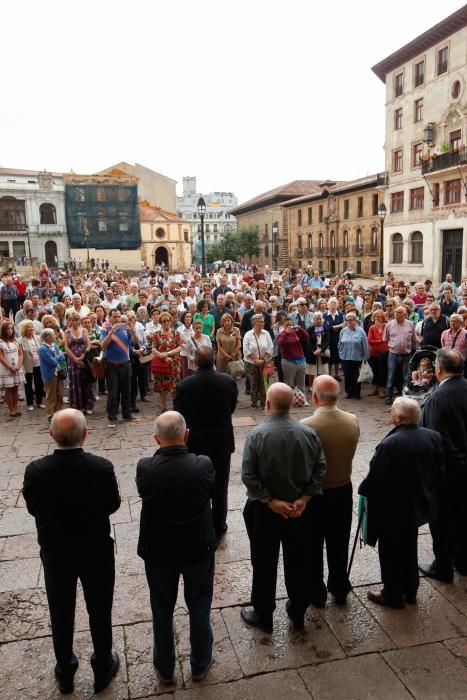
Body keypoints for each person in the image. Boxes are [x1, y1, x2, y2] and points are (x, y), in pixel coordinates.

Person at [22, 409, 121, 694]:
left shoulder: (36, 471)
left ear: (51, 435)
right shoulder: (102, 467)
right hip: (95, 550)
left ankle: (65, 669)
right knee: (100, 610)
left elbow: (32, 508)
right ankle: (102, 665)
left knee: (61, 611)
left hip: (57, 553)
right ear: (86, 434)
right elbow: (112, 505)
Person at [136, 411, 216, 685]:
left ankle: (165, 665)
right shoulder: (203, 464)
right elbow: (211, 492)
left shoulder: (145, 467)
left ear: (156, 439)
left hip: (159, 549)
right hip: (197, 546)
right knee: (200, 604)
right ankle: (200, 662)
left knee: (161, 607)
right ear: (186, 435)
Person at [241, 383, 326, 631]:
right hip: (298, 509)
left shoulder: (257, 435)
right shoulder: (308, 433)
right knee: (298, 560)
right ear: (292, 404)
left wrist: (270, 500)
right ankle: (298, 609)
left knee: (263, 561)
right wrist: (305, 498)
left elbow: (249, 475)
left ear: (267, 404)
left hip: (265, 511)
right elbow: (320, 468)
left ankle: (263, 614)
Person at [359, 397, 444, 608]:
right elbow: (439, 471)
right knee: (409, 546)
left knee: (390, 551)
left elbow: (375, 480)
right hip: (417, 505)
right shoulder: (433, 437)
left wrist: (363, 490)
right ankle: (410, 589)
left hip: (393, 509)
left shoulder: (390, 444)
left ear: (397, 417)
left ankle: (392, 593)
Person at [301, 375, 360, 605]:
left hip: (316, 495)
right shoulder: (352, 419)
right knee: (339, 541)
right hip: (343, 488)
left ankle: (316, 591)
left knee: (313, 544)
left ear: (314, 397)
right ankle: (339, 584)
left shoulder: (307, 426)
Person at [174, 347, 238, 539]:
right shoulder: (227, 381)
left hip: (196, 441)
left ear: (194, 361)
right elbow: (232, 406)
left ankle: (199, 523)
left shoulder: (184, 385)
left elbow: (179, 414)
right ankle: (219, 525)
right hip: (221, 440)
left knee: (196, 482)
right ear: (214, 361)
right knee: (221, 485)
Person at [420, 348, 467, 582]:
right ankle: (463, 560)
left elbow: (436, 437)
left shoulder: (438, 397)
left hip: (449, 471)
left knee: (441, 519)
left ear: (438, 369)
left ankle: (443, 566)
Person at [100, 308, 138, 427]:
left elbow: (136, 342)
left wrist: (132, 330)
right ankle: (112, 415)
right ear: (109, 317)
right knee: (113, 392)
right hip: (112, 365)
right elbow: (102, 345)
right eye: (114, 317)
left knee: (126, 390)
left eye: (118, 316)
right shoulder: (106, 328)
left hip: (126, 364)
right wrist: (111, 333)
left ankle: (127, 413)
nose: (117, 319)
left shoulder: (125, 329)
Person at [383, 306, 417, 405]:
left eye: (399, 312)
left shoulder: (410, 324)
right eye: (396, 312)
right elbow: (385, 339)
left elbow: (414, 338)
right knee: (390, 376)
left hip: (406, 355)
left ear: (405, 314)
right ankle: (388, 397)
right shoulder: (389, 325)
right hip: (393, 354)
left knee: (406, 377)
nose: (397, 314)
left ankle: (405, 397)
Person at [150, 311, 182, 414]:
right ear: (160, 322)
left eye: (168, 320)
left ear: (171, 321)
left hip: (174, 363)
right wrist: (162, 357)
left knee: (174, 386)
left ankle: (175, 406)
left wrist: (167, 354)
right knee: (162, 386)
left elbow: (180, 347)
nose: (166, 322)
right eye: (164, 321)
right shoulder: (156, 335)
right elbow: (153, 349)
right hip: (161, 363)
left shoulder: (176, 333)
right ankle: (163, 407)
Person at [64, 312, 94, 415]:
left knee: (86, 382)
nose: (74, 322)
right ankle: (77, 406)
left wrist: (83, 356)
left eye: (76, 320)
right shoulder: (67, 332)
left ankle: (88, 405)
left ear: (79, 321)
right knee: (75, 383)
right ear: (69, 321)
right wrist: (74, 358)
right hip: (73, 361)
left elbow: (88, 345)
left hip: (84, 359)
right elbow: (66, 347)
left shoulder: (84, 330)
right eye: (72, 320)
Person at [242, 313, 274, 409]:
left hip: (265, 362)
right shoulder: (248, 334)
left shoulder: (266, 333)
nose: (263, 323)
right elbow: (245, 349)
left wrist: (263, 359)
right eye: (261, 321)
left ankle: (264, 403)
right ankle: (254, 403)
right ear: (255, 323)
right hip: (251, 363)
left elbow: (271, 347)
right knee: (254, 383)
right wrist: (256, 359)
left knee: (264, 383)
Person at [338, 312, 369, 400]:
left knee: (356, 376)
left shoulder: (361, 331)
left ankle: (356, 393)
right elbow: (339, 343)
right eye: (347, 320)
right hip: (345, 357)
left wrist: (366, 357)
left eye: (351, 320)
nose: (349, 322)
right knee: (347, 375)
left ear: (355, 321)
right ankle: (349, 392)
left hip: (357, 357)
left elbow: (365, 344)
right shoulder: (343, 331)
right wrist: (340, 352)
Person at [277, 316, 309, 401]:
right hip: (288, 361)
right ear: (283, 325)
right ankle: (288, 400)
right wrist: (286, 333)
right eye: (287, 325)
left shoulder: (296, 332)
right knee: (289, 383)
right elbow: (280, 344)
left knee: (301, 383)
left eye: (290, 325)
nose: (289, 326)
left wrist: (301, 329)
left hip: (301, 360)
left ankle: (302, 399)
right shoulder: (281, 334)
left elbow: (307, 338)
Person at [0, 319, 25, 417]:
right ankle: (11, 410)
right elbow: (1, 357)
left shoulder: (17, 341)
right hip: (6, 369)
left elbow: (21, 354)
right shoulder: (1, 342)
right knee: (9, 389)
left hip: (17, 367)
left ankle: (15, 408)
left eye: (11, 329)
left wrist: (18, 366)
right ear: (3, 330)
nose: (9, 330)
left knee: (16, 388)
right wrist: (10, 367)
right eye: (7, 329)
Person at [39, 328, 65, 421]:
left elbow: (61, 356)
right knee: (51, 396)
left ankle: (60, 413)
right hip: (50, 375)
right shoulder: (42, 348)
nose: (55, 336)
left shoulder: (54, 345)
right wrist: (58, 356)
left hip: (58, 373)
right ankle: (50, 415)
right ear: (48, 338)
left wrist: (57, 356)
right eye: (53, 335)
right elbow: (53, 362)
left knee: (60, 394)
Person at [20, 320, 45, 411]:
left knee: (39, 383)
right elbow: (21, 354)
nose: (31, 328)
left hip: (38, 364)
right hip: (27, 365)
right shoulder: (21, 340)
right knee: (28, 385)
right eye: (29, 327)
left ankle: (39, 402)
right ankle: (29, 403)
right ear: (24, 329)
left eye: (32, 327)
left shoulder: (37, 338)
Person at [367, 309, 389, 397]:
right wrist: (380, 340)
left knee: (382, 371)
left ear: (383, 318)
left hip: (384, 352)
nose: (378, 319)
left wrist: (379, 340)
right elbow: (369, 340)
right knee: (375, 371)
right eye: (376, 317)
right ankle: (377, 388)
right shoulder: (372, 328)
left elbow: (387, 339)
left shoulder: (386, 326)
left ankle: (382, 390)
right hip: (374, 353)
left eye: (379, 317)